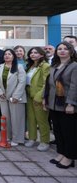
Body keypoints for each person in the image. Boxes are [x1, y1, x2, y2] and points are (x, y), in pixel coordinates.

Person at [44, 41, 77, 169]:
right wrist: (45, 99)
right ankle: (61, 153)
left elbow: (74, 87)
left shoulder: (74, 66)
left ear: (70, 51)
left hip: (66, 105)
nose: (62, 51)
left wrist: (71, 103)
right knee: (58, 130)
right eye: (60, 49)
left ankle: (69, 157)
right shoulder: (55, 65)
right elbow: (49, 84)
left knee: (69, 132)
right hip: (53, 103)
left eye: (65, 49)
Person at [0, 49, 26, 146]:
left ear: (13, 56)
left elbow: (22, 82)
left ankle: (17, 139)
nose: (7, 56)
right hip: (3, 96)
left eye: (9, 54)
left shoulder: (19, 67)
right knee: (6, 117)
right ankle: (7, 136)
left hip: (16, 97)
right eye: (5, 54)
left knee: (16, 118)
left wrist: (16, 96)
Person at [24, 47, 50, 151]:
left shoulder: (45, 66)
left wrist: (39, 96)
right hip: (29, 95)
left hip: (39, 97)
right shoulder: (31, 66)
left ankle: (45, 141)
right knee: (31, 119)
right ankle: (32, 138)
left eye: (36, 52)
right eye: (31, 53)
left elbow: (46, 84)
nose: (33, 54)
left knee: (42, 120)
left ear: (42, 55)